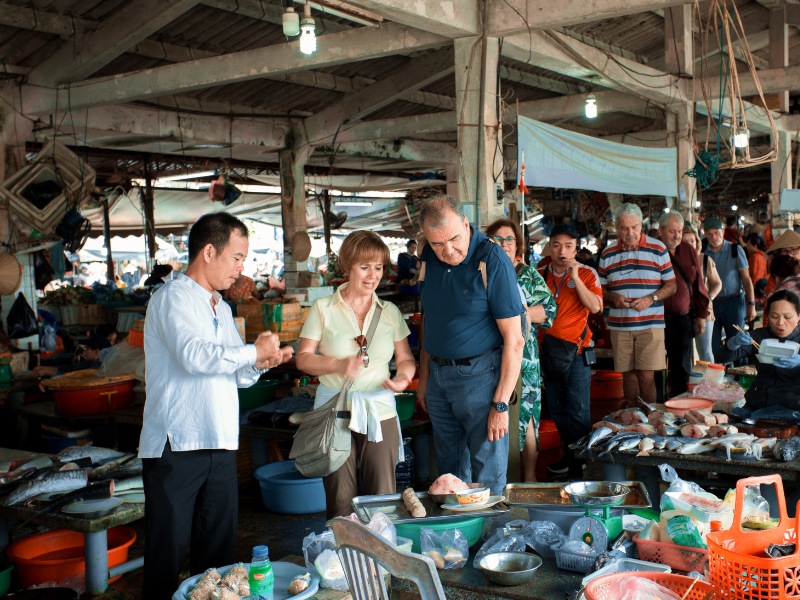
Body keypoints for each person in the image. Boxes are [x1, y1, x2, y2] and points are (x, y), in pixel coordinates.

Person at [138, 213, 293, 599]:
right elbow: (194, 357)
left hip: (221, 441)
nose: (242, 269)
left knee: (218, 560)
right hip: (177, 445)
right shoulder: (172, 297)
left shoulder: (221, 308)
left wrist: (259, 363)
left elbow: (235, 374)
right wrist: (250, 350)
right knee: (167, 556)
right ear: (209, 251)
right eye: (237, 258)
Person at [296, 231, 415, 518]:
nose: (373, 275)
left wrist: (403, 378)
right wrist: (338, 365)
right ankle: (343, 560)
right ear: (348, 266)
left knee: (382, 499)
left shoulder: (390, 312)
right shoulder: (323, 308)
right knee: (339, 498)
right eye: (365, 267)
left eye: (379, 267)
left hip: (379, 409)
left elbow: (406, 359)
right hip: (333, 409)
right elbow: (303, 359)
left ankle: (380, 558)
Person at [417, 195, 525, 496]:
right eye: (437, 244)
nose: (448, 250)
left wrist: (500, 404)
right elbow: (430, 320)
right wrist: (425, 379)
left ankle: (492, 539)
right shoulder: (429, 255)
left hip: (481, 378)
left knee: (487, 474)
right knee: (449, 475)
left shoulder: (492, 260)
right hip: (438, 378)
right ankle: (456, 539)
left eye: (454, 239)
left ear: (467, 224)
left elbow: (515, 340)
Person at [485, 218, 556, 482]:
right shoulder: (483, 272)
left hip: (524, 358)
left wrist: (517, 313)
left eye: (509, 239)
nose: (504, 244)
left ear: (518, 245)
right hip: (489, 358)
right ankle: (501, 478)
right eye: (497, 239)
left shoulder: (526, 274)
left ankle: (528, 480)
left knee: (526, 418)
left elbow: (549, 311)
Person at [538, 223, 602, 477]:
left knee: (577, 409)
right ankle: (572, 451)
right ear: (549, 246)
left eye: (568, 246)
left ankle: (579, 458)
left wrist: (575, 278)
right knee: (555, 406)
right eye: (556, 245)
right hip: (549, 352)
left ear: (576, 248)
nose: (561, 251)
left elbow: (595, 308)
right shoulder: (539, 272)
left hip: (576, 352)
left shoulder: (587, 273)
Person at [598, 203, 676, 404]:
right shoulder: (607, 254)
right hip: (620, 325)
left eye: (634, 227)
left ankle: (649, 419)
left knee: (646, 375)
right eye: (624, 228)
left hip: (650, 325)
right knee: (628, 375)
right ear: (616, 227)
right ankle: (632, 418)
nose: (630, 232)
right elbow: (600, 290)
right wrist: (614, 297)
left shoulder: (658, 249)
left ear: (641, 224)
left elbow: (672, 285)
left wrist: (652, 298)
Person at [716, 290, 800, 410]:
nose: (780, 323)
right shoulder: (758, 336)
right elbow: (720, 358)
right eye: (774, 316)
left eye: (787, 317)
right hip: (758, 402)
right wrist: (732, 344)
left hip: (792, 406)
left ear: (798, 317)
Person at [658, 211, 710, 396]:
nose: (677, 236)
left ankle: (680, 403)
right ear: (660, 230)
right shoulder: (652, 250)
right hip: (656, 319)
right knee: (655, 365)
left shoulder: (688, 249)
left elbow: (698, 285)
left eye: (679, 231)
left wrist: (702, 316)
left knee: (682, 365)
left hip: (682, 318)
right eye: (672, 231)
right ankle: (657, 404)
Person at [702, 217, 756, 363]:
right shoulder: (702, 252)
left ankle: (741, 376)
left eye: (717, 233)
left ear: (723, 232)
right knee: (711, 345)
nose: (714, 237)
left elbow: (746, 279)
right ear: (705, 234)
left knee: (737, 341)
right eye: (710, 234)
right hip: (712, 304)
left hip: (734, 302)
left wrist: (751, 304)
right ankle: (717, 379)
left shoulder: (735, 249)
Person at [683, 225, 723, 363]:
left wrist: (709, 298)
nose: (690, 244)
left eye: (692, 241)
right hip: (682, 310)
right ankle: (688, 382)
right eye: (686, 241)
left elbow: (718, 283)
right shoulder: (674, 260)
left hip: (704, 310)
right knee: (684, 351)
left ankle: (711, 384)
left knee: (705, 351)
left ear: (697, 242)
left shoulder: (705, 259)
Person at [32, 334, 111, 377]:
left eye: (87, 349)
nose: (85, 352)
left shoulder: (98, 367)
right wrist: (45, 368)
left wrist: (47, 371)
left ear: (96, 352)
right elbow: (72, 369)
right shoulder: (90, 362)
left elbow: (73, 377)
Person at [746, 234, 768, 301]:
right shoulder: (763, 256)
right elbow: (765, 272)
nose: (747, 247)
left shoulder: (753, 256)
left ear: (755, 246)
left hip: (754, 284)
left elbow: (752, 271)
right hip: (761, 284)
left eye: (749, 245)